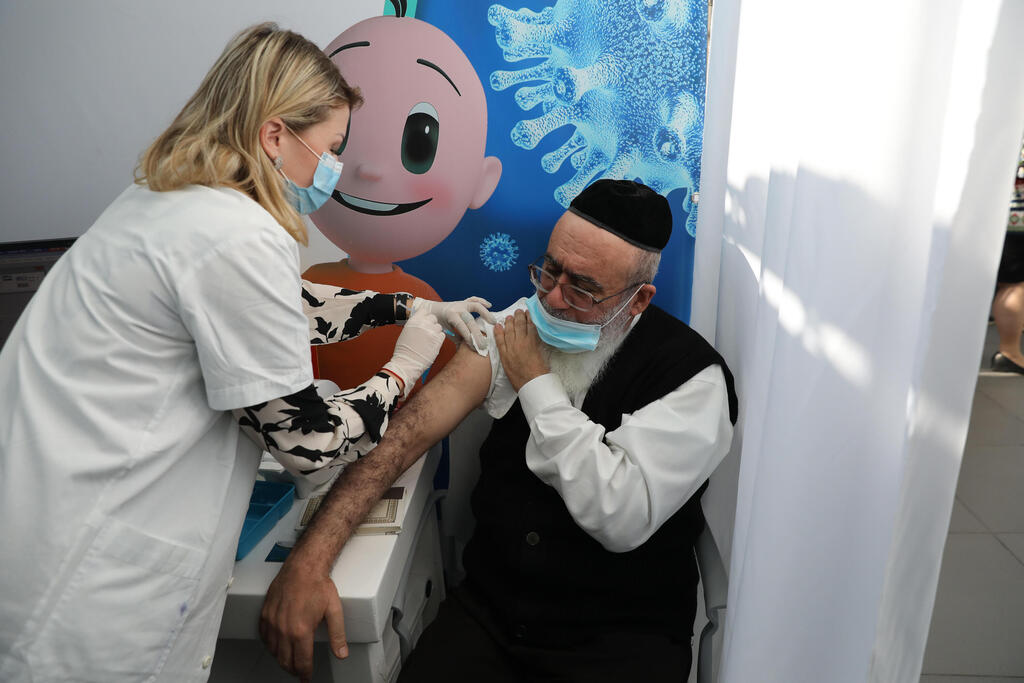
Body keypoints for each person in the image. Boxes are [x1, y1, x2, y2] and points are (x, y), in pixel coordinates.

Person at [0, 23, 492, 682]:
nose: (337, 170)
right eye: (331, 148)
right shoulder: (237, 234)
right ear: (274, 135)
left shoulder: (170, 202)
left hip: (48, 529)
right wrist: (401, 370)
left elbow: (283, 310)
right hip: (93, 590)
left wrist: (410, 306)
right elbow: (309, 443)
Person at [260, 179, 739, 683]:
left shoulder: (694, 381)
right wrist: (309, 563)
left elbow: (619, 516)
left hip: (618, 640)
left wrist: (535, 383)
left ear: (638, 300)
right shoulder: (517, 324)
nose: (552, 300)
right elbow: (403, 440)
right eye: (549, 270)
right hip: (490, 618)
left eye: (582, 288)